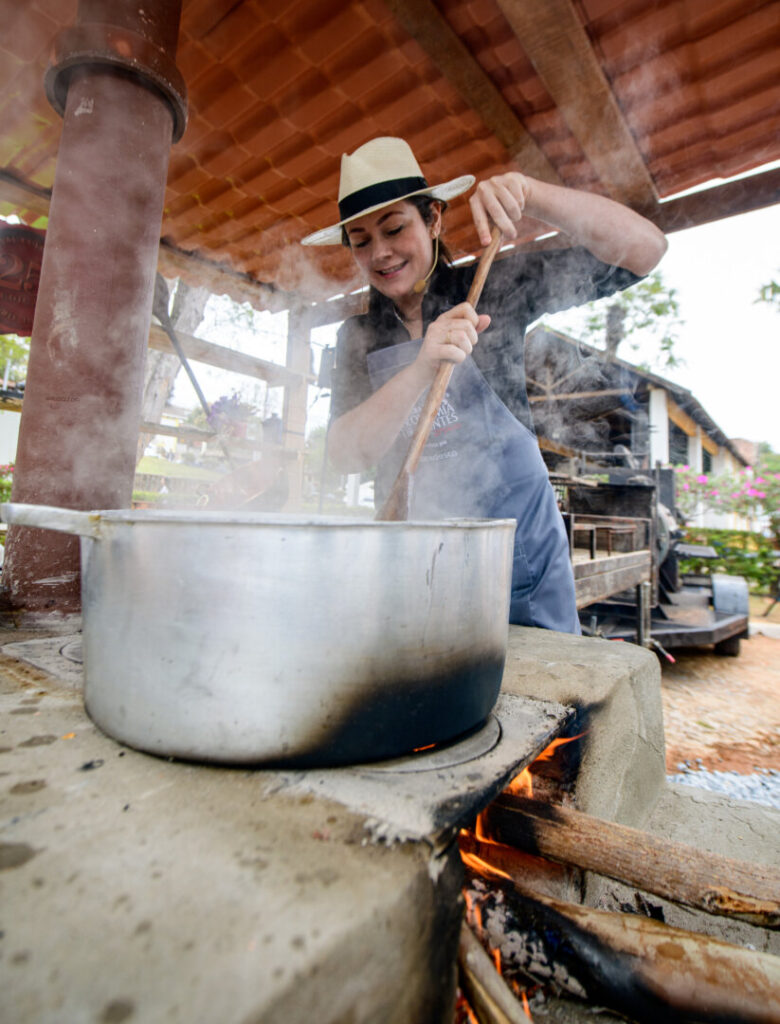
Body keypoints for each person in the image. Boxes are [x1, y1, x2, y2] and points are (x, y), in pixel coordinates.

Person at [302, 137, 667, 632]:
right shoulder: (357, 336)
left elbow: (644, 251)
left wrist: (531, 192)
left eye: (394, 228)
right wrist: (420, 368)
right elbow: (344, 455)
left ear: (432, 219)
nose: (380, 253)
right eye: (361, 240)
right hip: (414, 565)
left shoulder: (492, 283)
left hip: (521, 557)